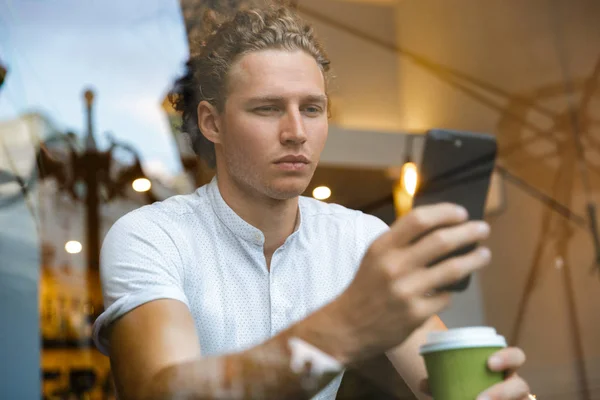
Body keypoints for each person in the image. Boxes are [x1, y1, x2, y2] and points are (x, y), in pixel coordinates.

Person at [92, 4, 531, 400]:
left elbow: (437, 379)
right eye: (267, 108)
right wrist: (344, 326)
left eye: (312, 108)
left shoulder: (360, 238)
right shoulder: (151, 236)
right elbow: (159, 391)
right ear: (212, 123)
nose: (296, 131)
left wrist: (484, 389)